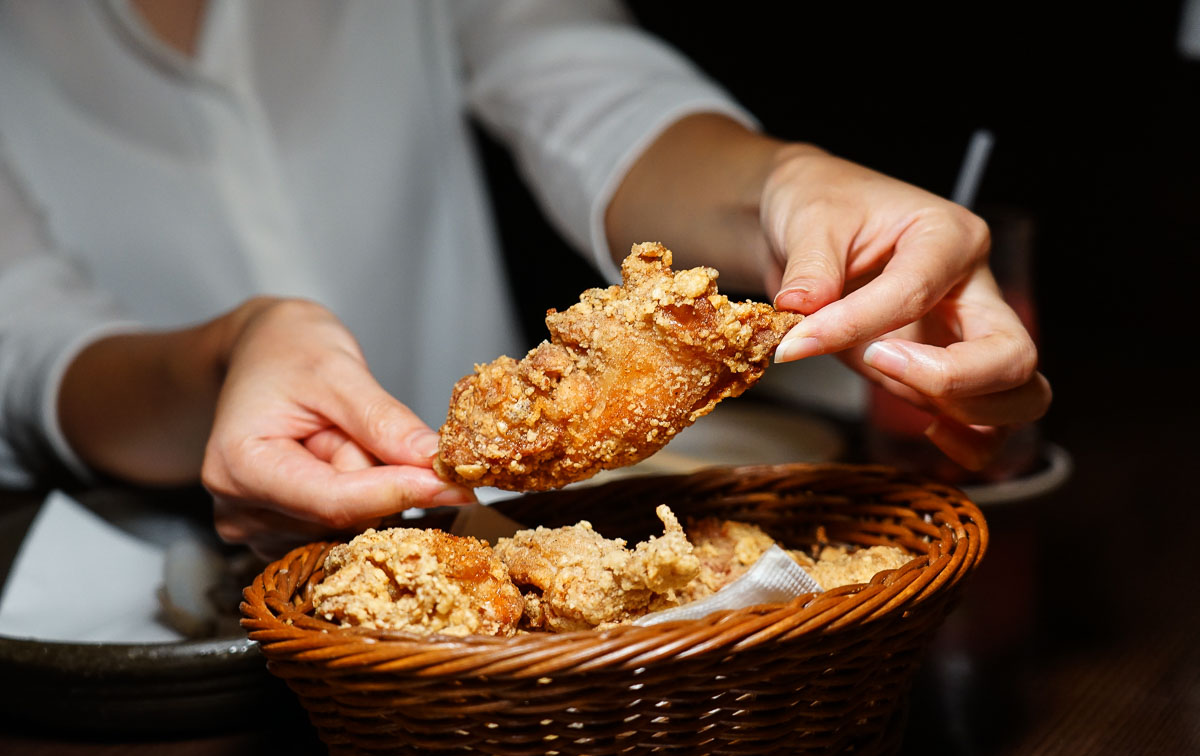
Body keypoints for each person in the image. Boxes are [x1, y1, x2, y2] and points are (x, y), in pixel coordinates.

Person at [0, 0, 1050, 556]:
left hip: (523, 604)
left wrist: (787, 184)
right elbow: (29, 335)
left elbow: (590, 89)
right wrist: (235, 349)